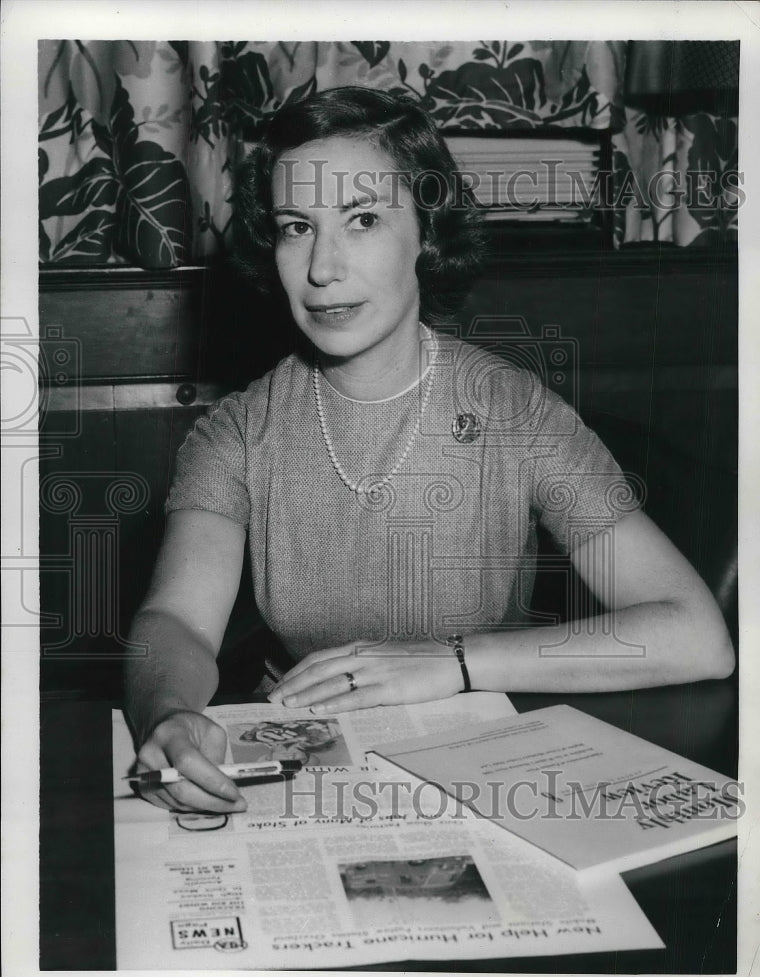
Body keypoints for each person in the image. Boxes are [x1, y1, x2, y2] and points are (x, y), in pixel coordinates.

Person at [125, 87, 734, 813]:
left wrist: (455, 661)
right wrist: (167, 713)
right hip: (304, 771)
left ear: (427, 233)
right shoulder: (236, 432)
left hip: (492, 767)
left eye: (363, 220)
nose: (323, 269)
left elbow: (695, 633)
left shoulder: (515, 412)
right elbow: (177, 622)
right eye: (296, 227)